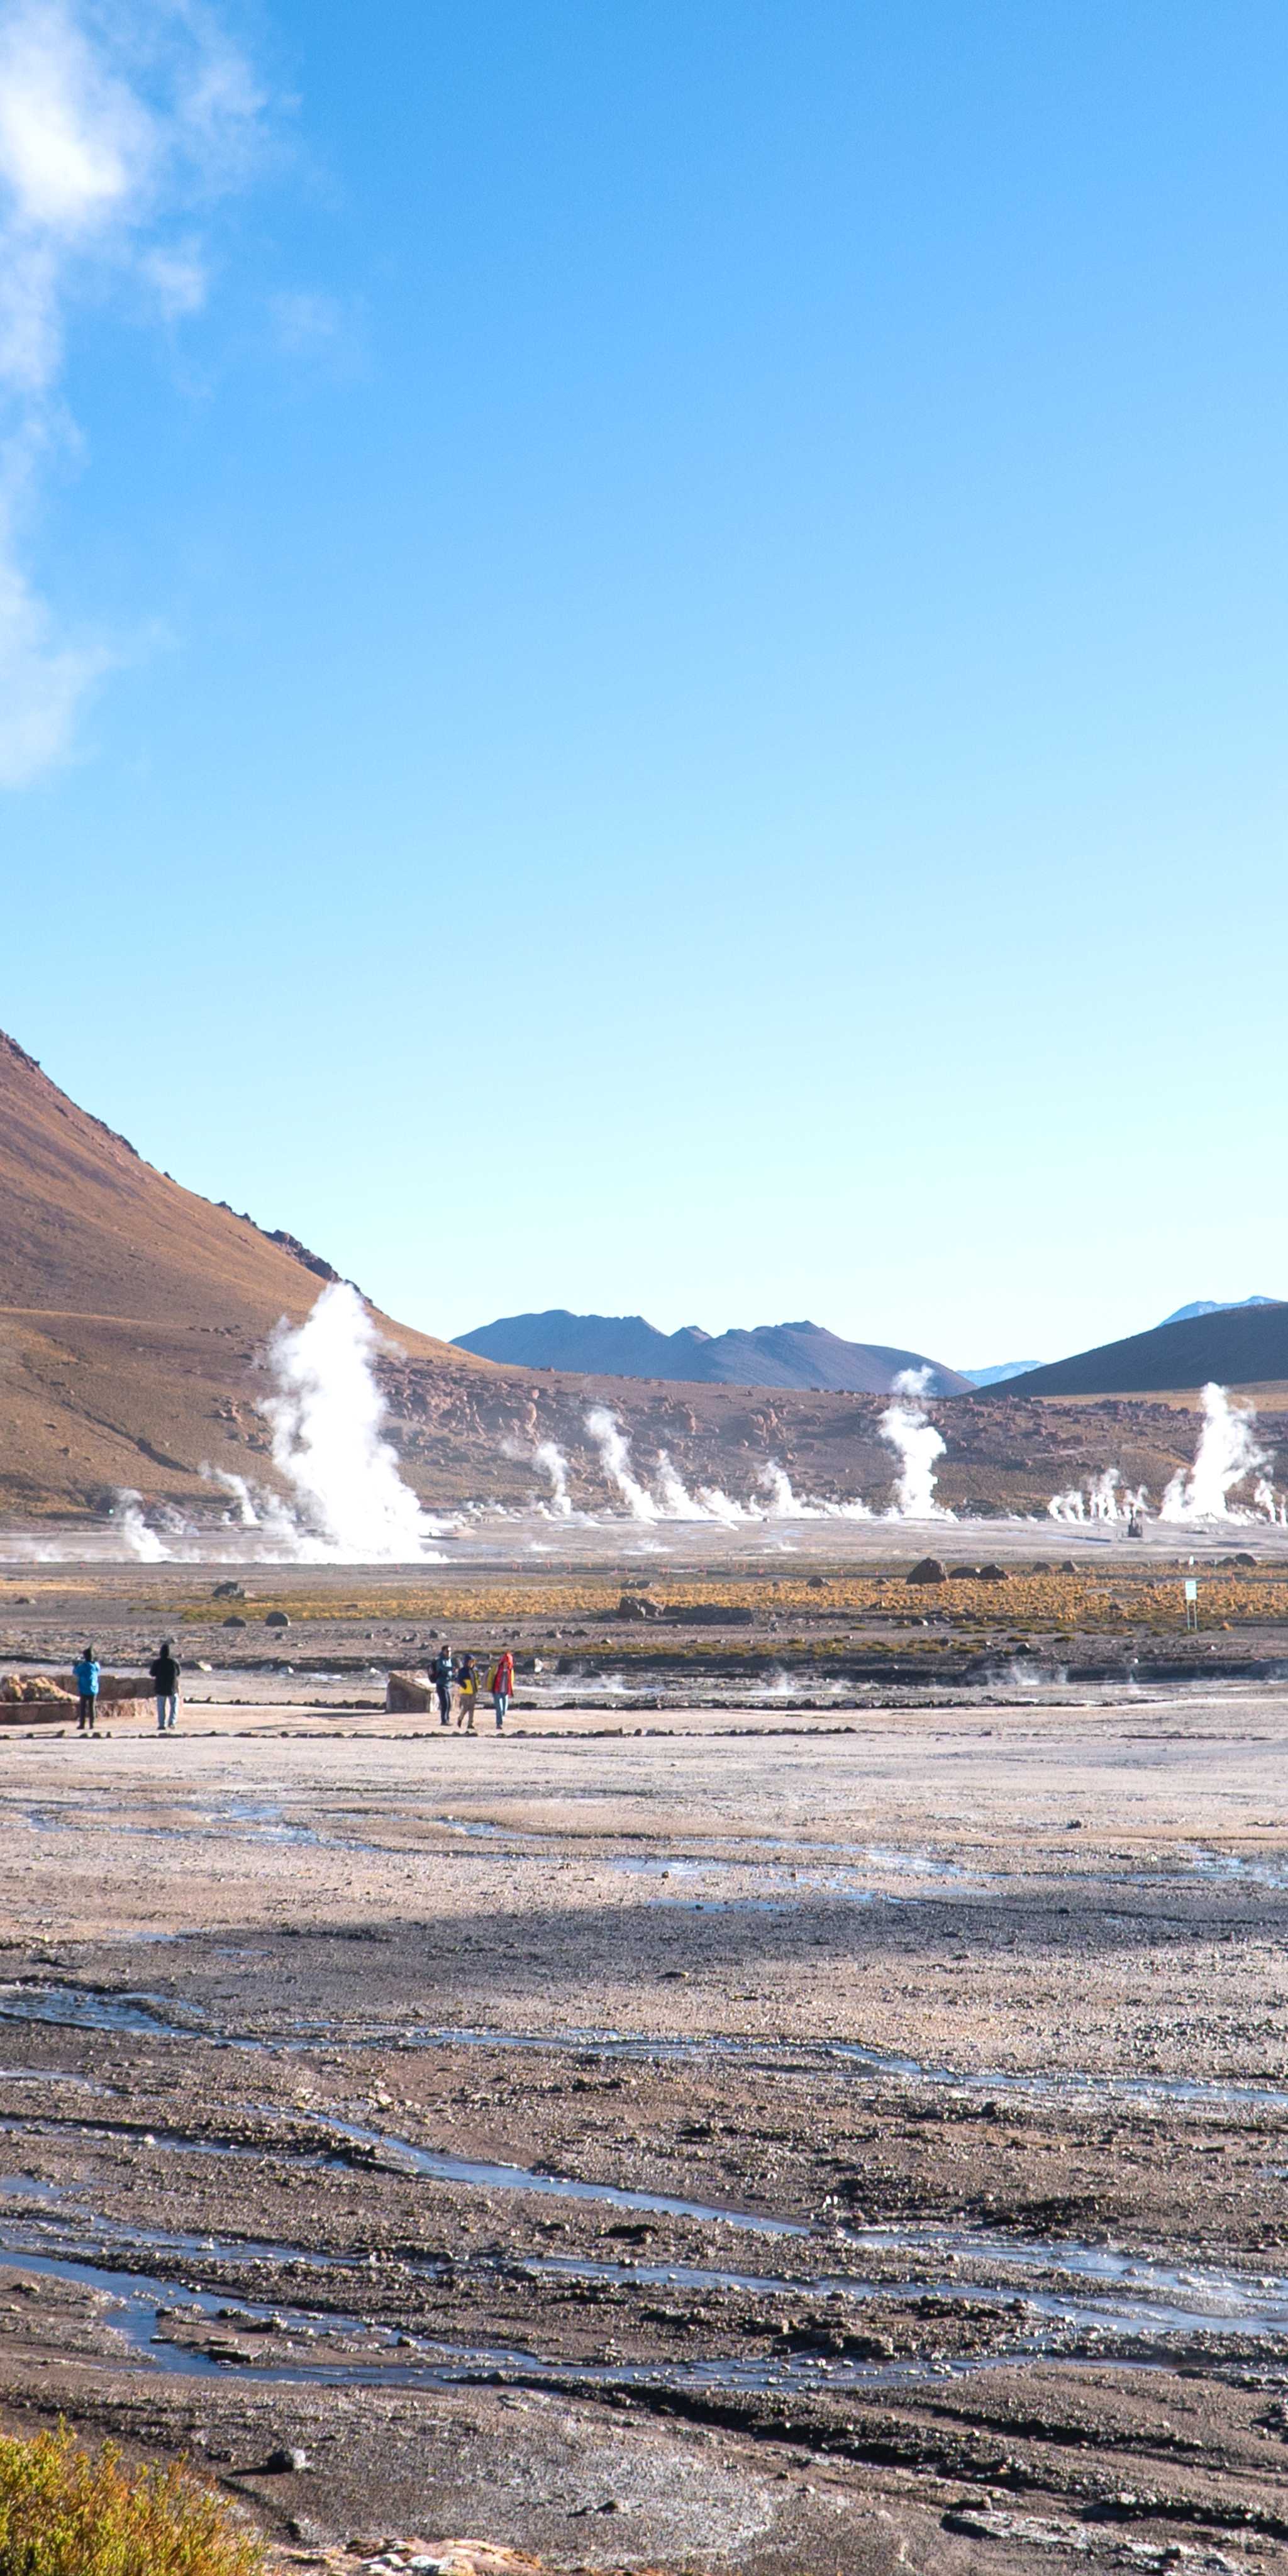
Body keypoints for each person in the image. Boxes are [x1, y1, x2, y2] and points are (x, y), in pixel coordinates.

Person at [150, 1638, 180, 1734]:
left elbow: (152, 1673)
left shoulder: (157, 1662)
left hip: (160, 1688)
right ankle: (172, 1722)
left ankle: (161, 1724)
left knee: (161, 1707)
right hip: (172, 1688)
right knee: (174, 1705)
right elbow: (179, 1673)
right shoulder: (174, 1662)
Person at [72, 1646, 99, 1736]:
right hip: (94, 1689)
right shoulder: (96, 1666)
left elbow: (76, 1673)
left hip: (84, 1689)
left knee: (83, 1708)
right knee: (92, 1707)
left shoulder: (83, 1666)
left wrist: (76, 1665)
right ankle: (92, 1724)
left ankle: (82, 1724)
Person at [489, 1646, 514, 1732]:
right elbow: (491, 1678)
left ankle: (500, 1719)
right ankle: (499, 1724)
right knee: (499, 1708)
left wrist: (511, 1690)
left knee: (504, 1710)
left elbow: (512, 1681)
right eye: (506, 1662)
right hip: (497, 1691)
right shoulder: (497, 1669)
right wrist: (489, 1688)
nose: (507, 1664)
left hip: (505, 1692)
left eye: (508, 1662)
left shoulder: (510, 1671)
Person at [433, 1645, 455, 1726]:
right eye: (447, 1651)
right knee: (445, 1703)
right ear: (443, 1652)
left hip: (448, 1684)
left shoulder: (449, 1660)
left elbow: (450, 1672)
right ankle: (444, 1720)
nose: (449, 1653)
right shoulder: (440, 1660)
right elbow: (443, 1668)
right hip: (441, 1684)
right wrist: (451, 1669)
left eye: (450, 1651)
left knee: (449, 1703)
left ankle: (447, 1719)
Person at [456, 1652, 478, 1732]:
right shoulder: (462, 1671)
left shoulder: (474, 1671)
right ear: (466, 1662)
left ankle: (470, 1724)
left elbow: (476, 1681)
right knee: (465, 1708)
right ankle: (460, 1718)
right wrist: (464, 1685)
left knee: (472, 1708)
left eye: (473, 1662)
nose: (471, 1664)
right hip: (465, 1692)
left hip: (473, 1692)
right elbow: (458, 1680)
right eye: (470, 1662)